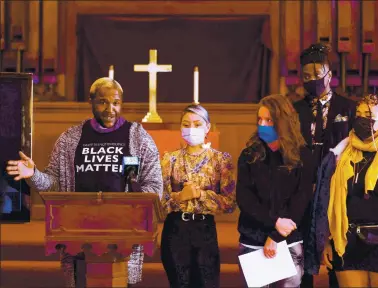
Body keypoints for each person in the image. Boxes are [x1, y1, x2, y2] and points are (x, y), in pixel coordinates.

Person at [5, 77, 163, 287]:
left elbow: (154, 186)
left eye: (116, 103)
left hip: (122, 235)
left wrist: (132, 201)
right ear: (91, 101)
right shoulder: (70, 139)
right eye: (102, 102)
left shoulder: (138, 138)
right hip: (80, 234)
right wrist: (33, 174)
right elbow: (54, 185)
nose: (110, 109)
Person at [305, 92, 378, 287]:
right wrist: (327, 239)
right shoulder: (339, 154)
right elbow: (326, 202)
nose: (363, 120)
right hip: (349, 244)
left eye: (370, 116)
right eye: (359, 114)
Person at [294, 43, 357, 288]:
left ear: (329, 75)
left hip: (335, 189)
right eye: (306, 76)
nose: (312, 80)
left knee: (336, 255)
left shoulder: (348, 107)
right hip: (303, 189)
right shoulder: (295, 109)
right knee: (302, 257)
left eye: (317, 74)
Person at [236, 94, 314, 287]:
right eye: (260, 120)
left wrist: (276, 236)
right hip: (253, 238)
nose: (263, 125)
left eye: (269, 120)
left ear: (282, 121)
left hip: (289, 240)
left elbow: (301, 199)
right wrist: (274, 222)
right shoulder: (249, 154)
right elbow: (245, 198)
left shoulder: (302, 154)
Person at [160, 104, 236, 288]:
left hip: (205, 230)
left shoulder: (221, 160)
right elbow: (159, 205)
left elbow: (229, 204)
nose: (191, 129)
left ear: (207, 127)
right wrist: (180, 197)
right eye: (186, 124)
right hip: (176, 230)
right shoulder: (170, 159)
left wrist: (201, 195)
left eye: (196, 124)